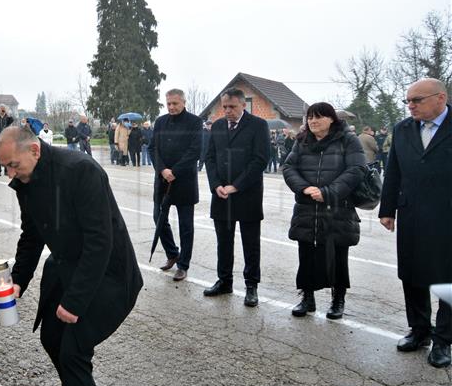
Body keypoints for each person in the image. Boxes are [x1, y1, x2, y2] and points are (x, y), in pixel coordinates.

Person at [0, 127, 142, 386]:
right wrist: (18, 279)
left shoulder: (81, 171)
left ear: (34, 150)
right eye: (4, 166)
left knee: (73, 351)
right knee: (52, 338)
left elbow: (100, 242)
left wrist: (74, 301)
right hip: (67, 268)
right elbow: (32, 235)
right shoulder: (26, 180)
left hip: (109, 275)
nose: (9, 173)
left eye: (13, 165)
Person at [379, 78, 451, 369]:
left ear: (440, 98)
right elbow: (393, 170)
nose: (410, 106)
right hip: (411, 214)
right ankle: (419, 330)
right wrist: (388, 210)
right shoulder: (403, 129)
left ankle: (444, 339)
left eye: (417, 100)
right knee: (412, 273)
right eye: (408, 101)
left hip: (447, 216)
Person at [282, 103, 366, 319]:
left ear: (331, 119)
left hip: (337, 207)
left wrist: (328, 192)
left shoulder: (348, 140)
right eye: (310, 117)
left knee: (337, 255)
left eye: (318, 117)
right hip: (307, 206)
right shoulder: (302, 141)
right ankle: (307, 297)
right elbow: (289, 167)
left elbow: (356, 169)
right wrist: (303, 187)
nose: (313, 121)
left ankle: (338, 300)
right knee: (306, 252)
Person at [204, 87, 269, 307]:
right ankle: (224, 281)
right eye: (225, 107)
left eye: (232, 106)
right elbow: (210, 158)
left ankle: (251, 286)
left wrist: (236, 186)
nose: (228, 111)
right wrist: (216, 186)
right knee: (224, 242)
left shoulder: (258, 126)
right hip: (221, 195)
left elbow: (260, 161)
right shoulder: (218, 126)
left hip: (247, 194)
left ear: (243, 105)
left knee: (250, 244)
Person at [147, 89, 203, 282]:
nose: (171, 107)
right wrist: (163, 170)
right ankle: (172, 253)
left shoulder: (195, 122)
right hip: (162, 181)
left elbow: (195, 151)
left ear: (183, 102)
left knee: (186, 225)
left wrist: (175, 171)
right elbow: (152, 147)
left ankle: (183, 265)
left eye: (175, 104)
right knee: (158, 218)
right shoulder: (161, 122)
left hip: (184, 182)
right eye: (168, 103)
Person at [0, 105, 14, 176]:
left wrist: (7, 113)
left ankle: (6, 170)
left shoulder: (7, 118)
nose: (2, 110)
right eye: (1, 109)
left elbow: (11, 120)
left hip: (6, 138)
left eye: (3, 109)